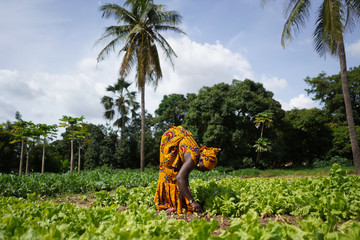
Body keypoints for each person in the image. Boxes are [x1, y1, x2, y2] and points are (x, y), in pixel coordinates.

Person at [153, 125, 220, 215]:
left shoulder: (197, 155)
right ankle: (169, 204)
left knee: (180, 174)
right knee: (170, 173)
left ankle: (178, 203)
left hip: (179, 137)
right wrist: (192, 201)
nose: (203, 171)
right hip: (170, 139)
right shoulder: (193, 158)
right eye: (203, 168)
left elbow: (184, 176)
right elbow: (180, 178)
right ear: (200, 160)